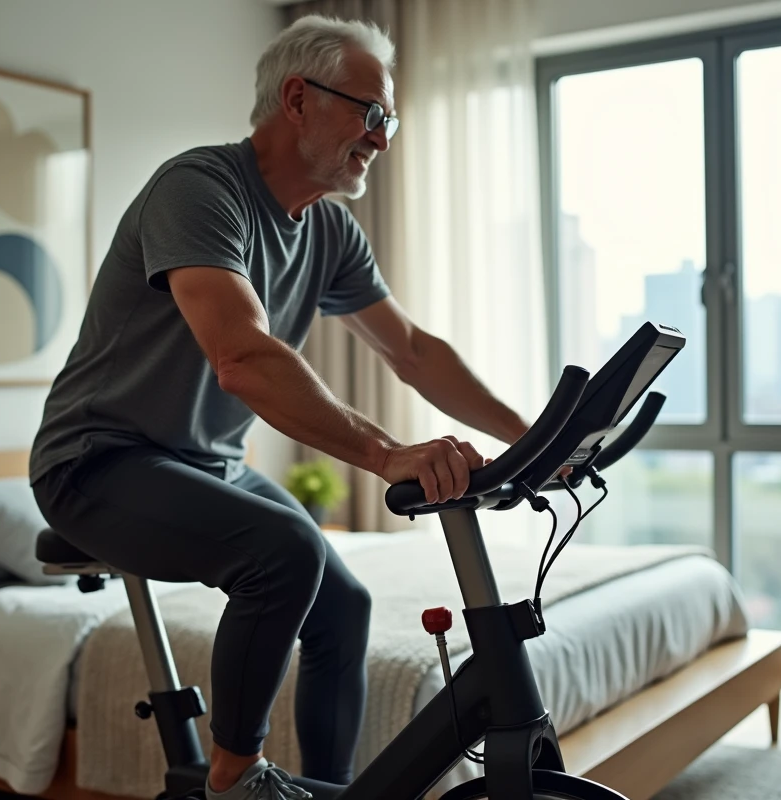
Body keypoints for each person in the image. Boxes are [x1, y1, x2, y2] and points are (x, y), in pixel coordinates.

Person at [29, 14, 531, 800]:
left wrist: (531, 438)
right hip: (97, 461)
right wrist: (385, 452)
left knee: (344, 605)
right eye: (372, 114)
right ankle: (237, 781)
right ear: (298, 98)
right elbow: (242, 356)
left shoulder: (329, 228)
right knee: (283, 551)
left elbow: (413, 351)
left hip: (209, 463)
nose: (383, 138)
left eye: (388, 118)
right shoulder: (199, 190)